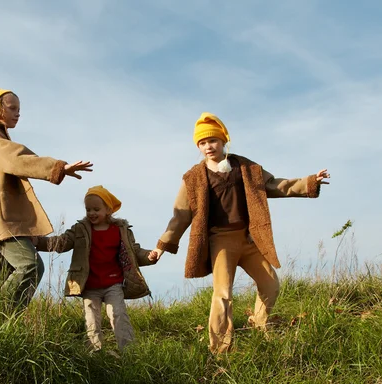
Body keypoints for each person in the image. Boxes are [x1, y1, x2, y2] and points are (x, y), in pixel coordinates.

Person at [150, 112, 330, 353]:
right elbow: (181, 214)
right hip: (220, 242)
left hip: (247, 238)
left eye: (212, 141)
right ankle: (220, 350)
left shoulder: (245, 167)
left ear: (224, 140)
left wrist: (309, 182)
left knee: (270, 284)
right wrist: (163, 245)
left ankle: (260, 324)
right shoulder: (193, 177)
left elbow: (275, 184)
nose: (207, 147)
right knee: (222, 293)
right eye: (202, 143)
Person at [0, 87, 93, 312]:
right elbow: (18, 159)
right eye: (12, 108)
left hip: (1, 222)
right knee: (31, 266)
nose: (18, 113)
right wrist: (58, 168)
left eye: (19, 109)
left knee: (2, 281)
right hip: (4, 223)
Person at [37, 185, 156, 352]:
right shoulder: (81, 229)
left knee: (118, 314)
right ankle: (95, 352)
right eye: (88, 209)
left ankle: (129, 352)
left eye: (96, 209)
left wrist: (150, 256)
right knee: (92, 320)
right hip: (90, 285)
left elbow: (134, 252)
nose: (91, 213)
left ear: (108, 209)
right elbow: (62, 242)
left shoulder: (120, 230)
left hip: (113, 284)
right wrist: (37, 242)